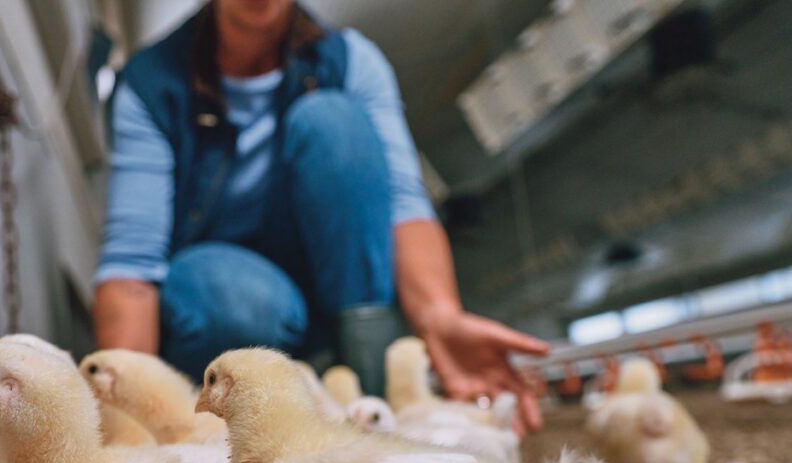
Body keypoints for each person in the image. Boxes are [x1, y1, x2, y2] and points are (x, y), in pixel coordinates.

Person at [92, 0, 549, 431]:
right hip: (230, 298)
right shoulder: (151, 83)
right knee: (236, 301)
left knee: (333, 121)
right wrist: (129, 420)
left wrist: (439, 316)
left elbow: (402, 201)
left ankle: (368, 402)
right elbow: (132, 263)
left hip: (334, 291)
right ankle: (253, 409)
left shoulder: (350, 61)